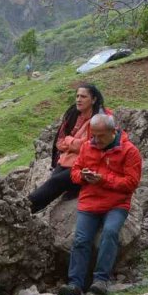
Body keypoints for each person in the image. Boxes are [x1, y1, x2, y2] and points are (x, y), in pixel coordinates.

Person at [58, 113, 142, 295]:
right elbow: (75, 172)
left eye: (100, 136)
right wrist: (83, 176)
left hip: (117, 203)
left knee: (110, 233)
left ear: (113, 132)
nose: (95, 140)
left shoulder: (130, 151)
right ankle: (75, 284)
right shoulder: (87, 147)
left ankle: (101, 280)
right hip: (90, 201)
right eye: (93, 135)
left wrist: (103, 179)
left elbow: (131, 182)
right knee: (80, 240)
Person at [29, 84, 110, 213]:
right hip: (69, 160)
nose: (78, 99)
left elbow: (89, 146)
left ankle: (23, 206)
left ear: (93, 100)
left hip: (89, 166)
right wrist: (73, 143)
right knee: (53, 182)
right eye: (77, 96)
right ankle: (28, 210)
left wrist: (69, 141)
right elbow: (59, 143)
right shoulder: (73, 115)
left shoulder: (99, 120)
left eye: (83, 96)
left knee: (56, 182)